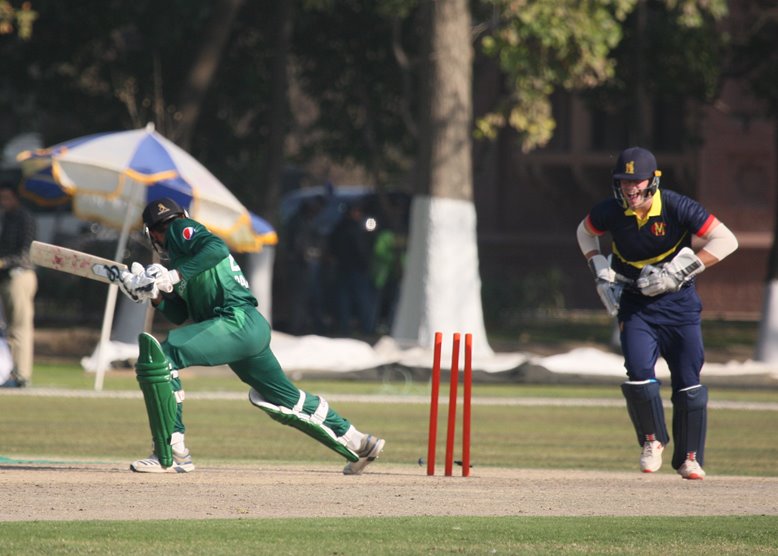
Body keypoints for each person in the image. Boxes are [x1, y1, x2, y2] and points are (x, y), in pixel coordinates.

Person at [118, 197, 385, 474]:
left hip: (236, 321)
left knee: (163, 355)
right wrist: (155, 295)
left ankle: (172, 452)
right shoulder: (186, 260)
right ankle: (360, 441)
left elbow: (217, 248)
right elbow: (179, 315)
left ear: (153, 234)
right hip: (246, 330)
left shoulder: (180, 230)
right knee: (287, 399)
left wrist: (171, 276)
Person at [576, 147, 738, 480]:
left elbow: (727, 240)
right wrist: (597, 264)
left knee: (689, 385)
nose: (630, 189)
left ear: (652, 181)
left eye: (636, 182)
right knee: (638, 375)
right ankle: (652, 441)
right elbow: (584, 232)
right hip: (637, 306)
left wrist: (684, 269)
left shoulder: (678, 206)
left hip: (679, 306)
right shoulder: (611, 211)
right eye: (623, 182)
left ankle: (689, 458)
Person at [0, 182, 37, 388]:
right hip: (5, 277)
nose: (3, 202)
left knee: (20, 327)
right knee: (8, 329)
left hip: (20, 275)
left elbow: (26, 252)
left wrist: (3, 262)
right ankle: (11, 372)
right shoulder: (5, 218)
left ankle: (22, 375)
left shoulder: (25, 218)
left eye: (6, 198)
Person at [329, 202, 376, 337]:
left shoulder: (338, 228)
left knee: (344, 299)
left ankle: (345, 327)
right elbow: (360, 250)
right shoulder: (355, 229)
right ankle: (367, 328)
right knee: (362, 299)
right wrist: (366, 264)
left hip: (343, 268)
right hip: (356, 269)